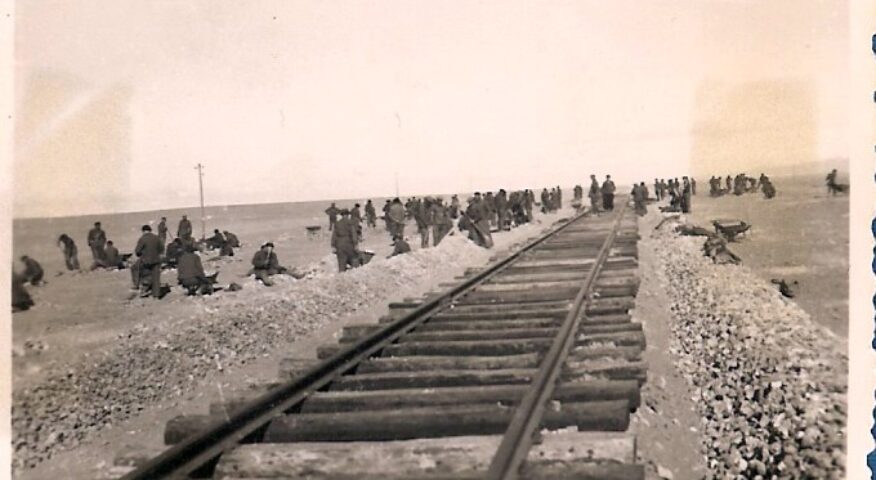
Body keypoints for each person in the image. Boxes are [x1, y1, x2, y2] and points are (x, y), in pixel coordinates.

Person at [135, 225, 164, 298]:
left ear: (143, 231)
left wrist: (141, 254)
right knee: (156, 278)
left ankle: (144, 290)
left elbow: (137, 251)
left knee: (145, 276)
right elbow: (161, 249)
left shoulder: (142, 239)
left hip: (145, 261)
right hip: (156, 260)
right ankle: (156, 295)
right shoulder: (156, 238)